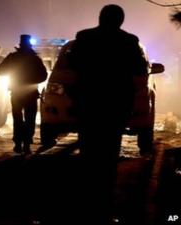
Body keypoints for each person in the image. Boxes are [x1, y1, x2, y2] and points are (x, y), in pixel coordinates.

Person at [69, 5, 148, 223]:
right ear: (121, 20)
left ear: (100, 17)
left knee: (88, 149)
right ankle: (104, 200)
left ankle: (87, 198)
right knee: (109, 151)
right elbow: (140, 69)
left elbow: (72, 63)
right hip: (115, 104)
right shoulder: (129, 41)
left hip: (88, 102)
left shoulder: (84, 37)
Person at [0, 35, 47, 154]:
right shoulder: (35, 59)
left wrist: (12, 72)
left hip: (16, 92)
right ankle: (27, 143)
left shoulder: (12, 57)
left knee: (17, 118)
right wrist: (33, 81)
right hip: (31, 93)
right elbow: (43, 76)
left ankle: (18, 143)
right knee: (30, 118)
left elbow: (0, 71)